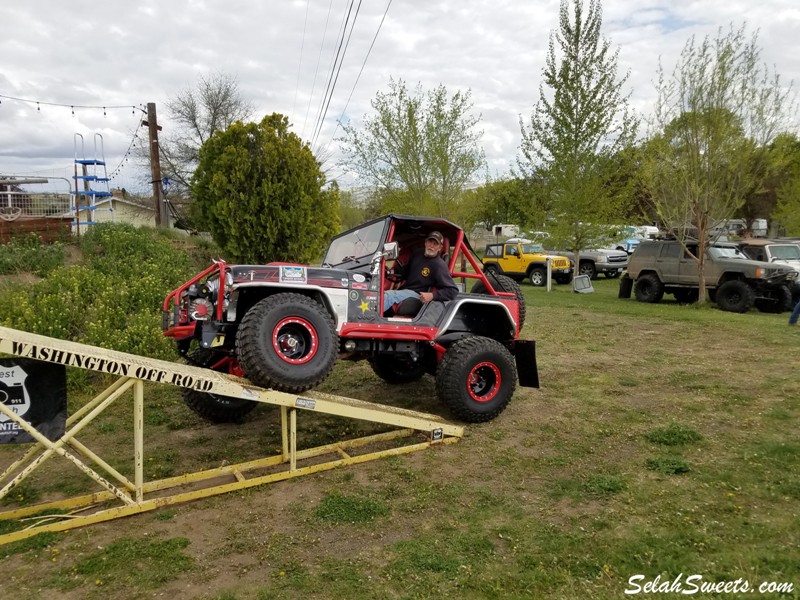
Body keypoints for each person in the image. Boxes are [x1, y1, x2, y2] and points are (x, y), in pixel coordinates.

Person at [383, 231, 459, 314]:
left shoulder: (439, 265)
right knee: (376, 293)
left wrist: (432, 295)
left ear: (440, 248)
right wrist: (392, 271)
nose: (431, 246)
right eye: (430, 242)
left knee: (387, 296)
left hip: (418, 295)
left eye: (435, 244)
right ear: (425, 242)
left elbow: (453, 291)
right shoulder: (417, 254)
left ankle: (370, 318)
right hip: (405, 290)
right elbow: (405, 271)